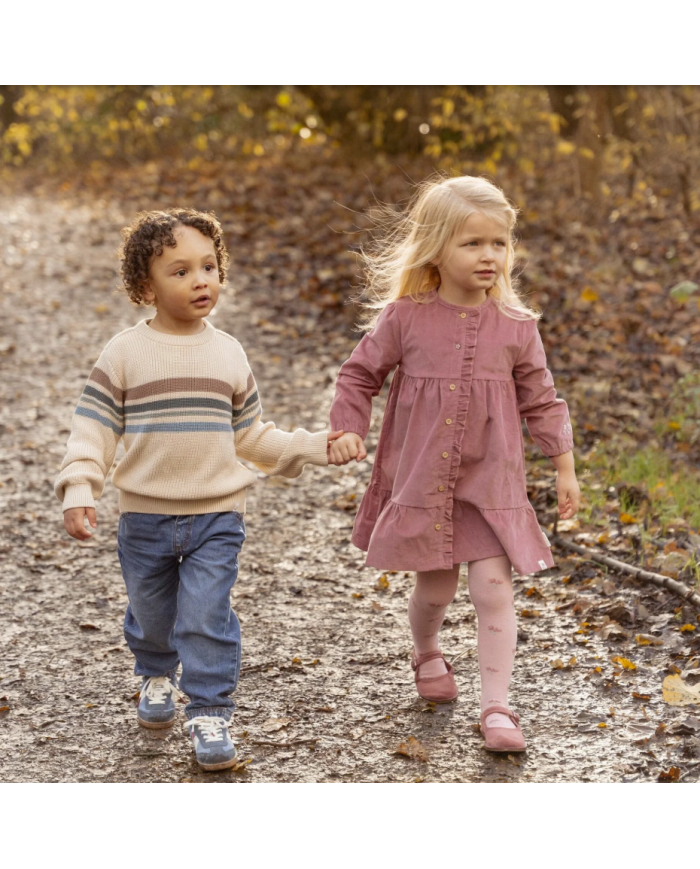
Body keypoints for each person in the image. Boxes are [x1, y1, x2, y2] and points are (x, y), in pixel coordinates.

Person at [55, 208, 342, 771]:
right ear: (146, 286)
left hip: (216, 515)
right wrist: (80, 486)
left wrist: (311, 445)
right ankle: (156, 674)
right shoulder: (124, 354)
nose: (201, 280)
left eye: (208, 266)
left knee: (206, 615)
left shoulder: (228, 352)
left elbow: (252, 434)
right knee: (153, 615)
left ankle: (210, 712)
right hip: (144, 518)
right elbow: (93, 428)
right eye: (180, 271)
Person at [328, 175, 580, 753]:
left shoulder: (517, 327)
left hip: (490, 484)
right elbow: (359, 374)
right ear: (436, 249)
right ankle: (426, 652)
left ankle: (497, 708)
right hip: (423, 480)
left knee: (494, 589)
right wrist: (347, 426)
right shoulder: (406, 317)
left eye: (499, 243)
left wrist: (564, 466)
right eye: (472, 243)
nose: (489, 255)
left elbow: (542, 399)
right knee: (436, 589)